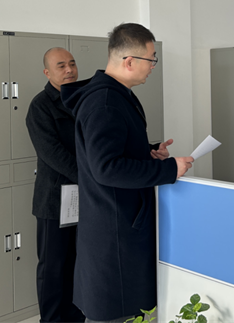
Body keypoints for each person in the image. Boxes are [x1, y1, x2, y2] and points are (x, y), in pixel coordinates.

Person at [61, 23, 194, 323]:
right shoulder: (105, 102)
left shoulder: (116, 95)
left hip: (116, 222)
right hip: (114, 230)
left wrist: (148, 151)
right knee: (115, 313)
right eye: (152, 59)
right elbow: (106, 168)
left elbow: (110, 150)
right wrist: (169, 169)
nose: (153, 66)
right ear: (130, 61)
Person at [25, 47, 85, 323]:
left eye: (72, 63)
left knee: (77, 262)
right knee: (52, 267)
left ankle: (74, 317)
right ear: (47, 72)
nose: (69, 70)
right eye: (61, 66)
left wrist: (149, 149)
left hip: (84, 197)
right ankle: (50, 319)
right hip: (54, 201)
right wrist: (91, 177)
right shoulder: (40, 106)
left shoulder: (82, 100)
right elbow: (52, 154)